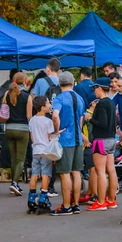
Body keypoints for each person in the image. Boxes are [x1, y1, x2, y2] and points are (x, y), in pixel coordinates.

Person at [51, 71, 85, 216]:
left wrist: (56, 130)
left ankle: (66, 206)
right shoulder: (80, 98)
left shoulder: (59, 99)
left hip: (65, 139)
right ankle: (76, 204)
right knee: (76, 172)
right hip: (77, 138)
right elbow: (81, 119)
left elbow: (55, 115)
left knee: (65, 173)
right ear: (73, 83)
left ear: (59, 83)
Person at [85, 77, 119, 211]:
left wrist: (90, 119)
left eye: (94, 88)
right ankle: (111, 200)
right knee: (111, 170)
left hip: (101, 140)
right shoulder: (110, 102)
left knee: (100, 171)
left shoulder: (101, 104)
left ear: (100, 87)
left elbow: (102, 123)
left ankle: (100, 202)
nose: (94, 91)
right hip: (111, 139)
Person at [1, 72, 33, 196]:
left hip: (9, 129)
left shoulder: (6, 94)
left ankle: (15, 184)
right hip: (22, 130)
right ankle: (14, 183)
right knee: (21, 158)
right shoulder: (27, 96)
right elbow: (29, 116)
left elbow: (3, 111)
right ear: (24, 81)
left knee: (13, 158)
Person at [27, 96, 55, 213]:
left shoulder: (32, 120)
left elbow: (32, 137)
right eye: (48, 103)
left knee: (34, 174)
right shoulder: (48, 121)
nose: (50, 105)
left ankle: (31, 197)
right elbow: (49, 137)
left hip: (36, 150)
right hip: (45, 151)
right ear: (43, 107)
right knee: (45, 174)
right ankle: (43, 196)